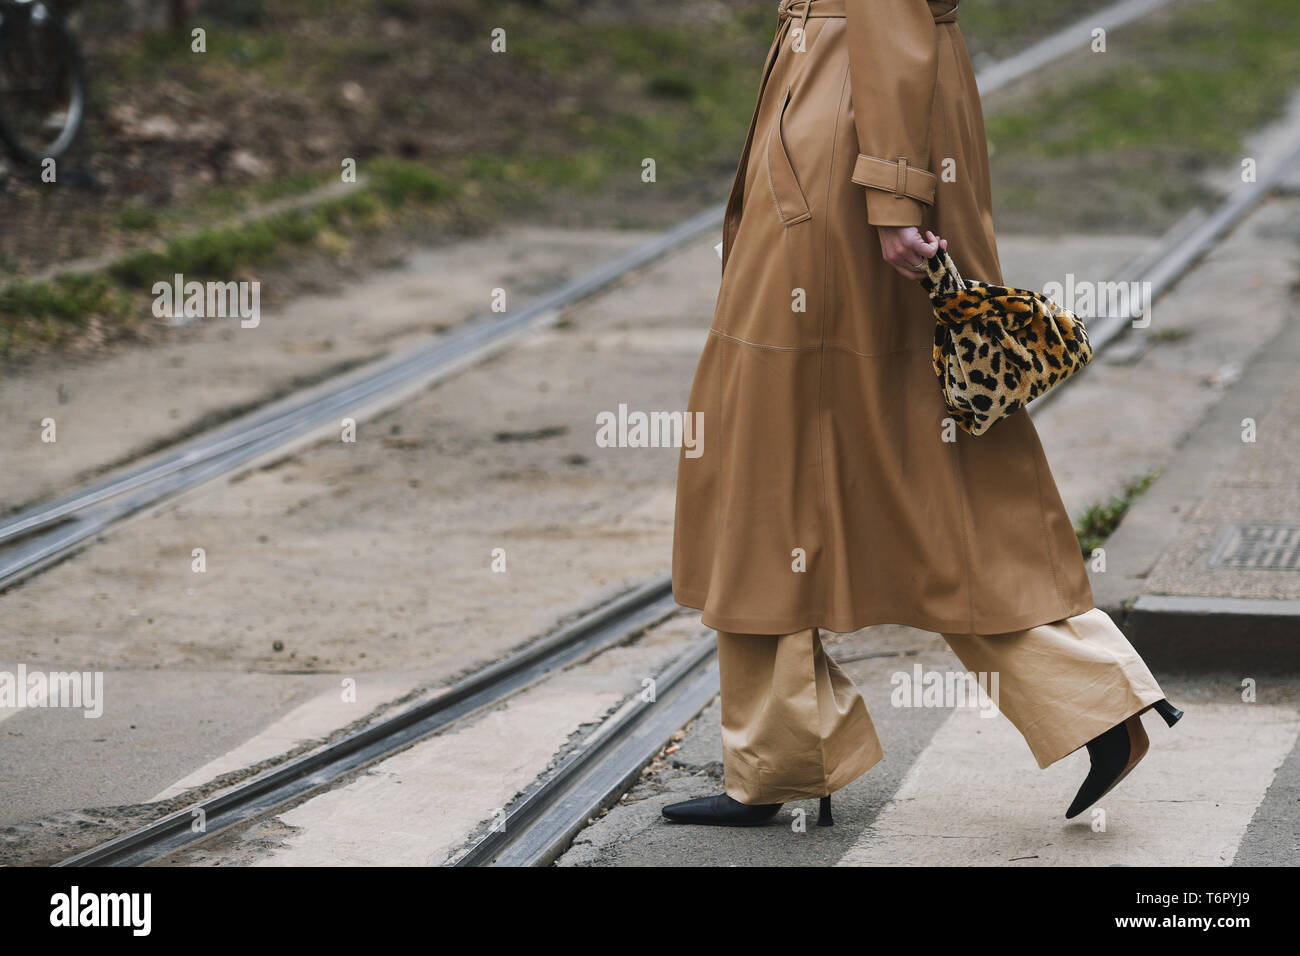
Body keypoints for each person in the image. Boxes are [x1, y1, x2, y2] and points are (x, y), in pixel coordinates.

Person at [663, 0, 1182, 828]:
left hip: (852, 117)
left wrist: (895, 194)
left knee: (787, 439)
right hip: (853, 102)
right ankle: (1082, 700)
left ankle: (788, 755)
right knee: (885, 438)